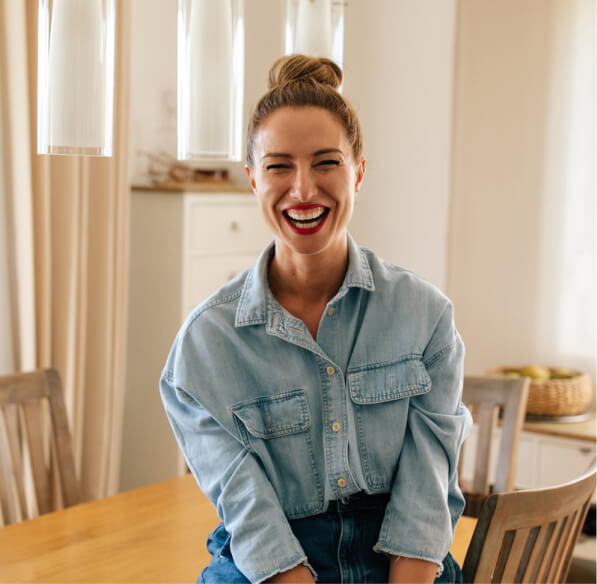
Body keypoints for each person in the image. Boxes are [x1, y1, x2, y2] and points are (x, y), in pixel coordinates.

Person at [160, 54, 472, 584]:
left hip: (401, 556)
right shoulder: (203, 348)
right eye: (279, 166)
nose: (303, 190)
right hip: (271, 562)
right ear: (253, 180)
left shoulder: (426, 317)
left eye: (326, 163)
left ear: (359, 173)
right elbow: (250, 514)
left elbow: (425, 499)